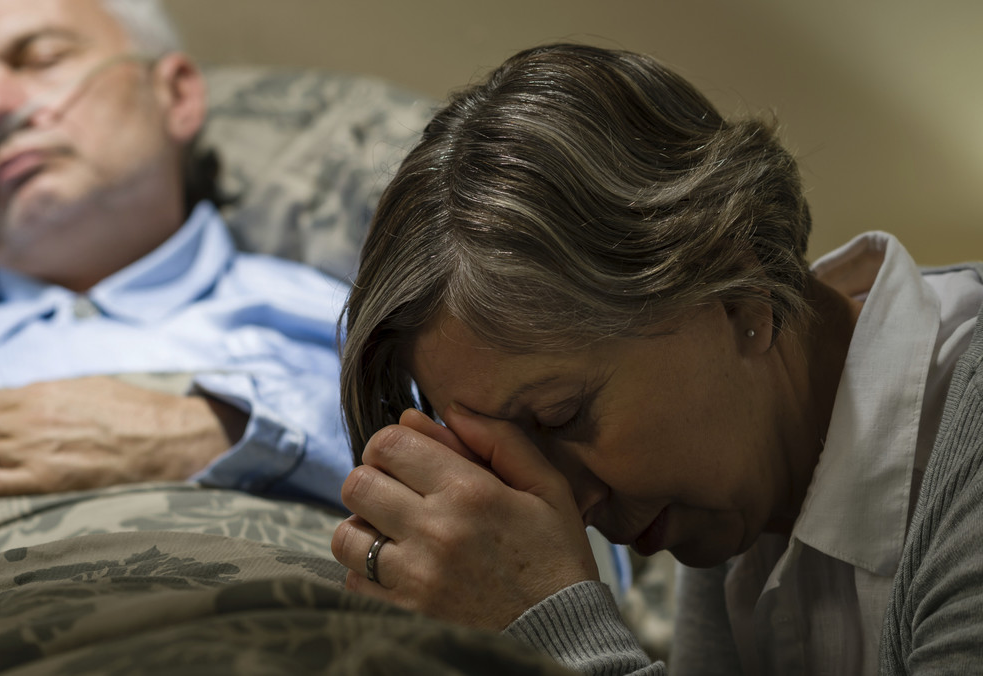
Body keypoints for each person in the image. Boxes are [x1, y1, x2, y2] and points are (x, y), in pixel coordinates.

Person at [332, 43, 983, 674]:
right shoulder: (742, 483)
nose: (564, 505)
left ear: (739, 290)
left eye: (563, 417)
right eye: (495, 459)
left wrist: (550, 633)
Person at [0, 0, 353, 615]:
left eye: (42, 59)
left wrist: (229, 431)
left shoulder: (347, 320)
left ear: (178, 95)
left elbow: (457, 496)